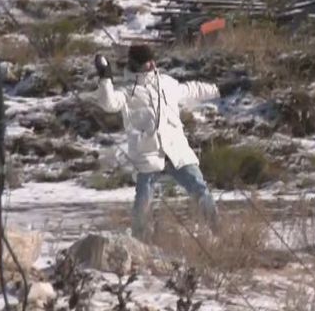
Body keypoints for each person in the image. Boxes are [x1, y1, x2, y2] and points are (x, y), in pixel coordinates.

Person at [92, 44, 221, 237]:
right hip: (148, 154)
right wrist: (105, 77)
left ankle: (218, 232)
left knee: (200, 189)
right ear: (135, 64)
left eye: (152, 60)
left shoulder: (167, 83)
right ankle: (140, 242)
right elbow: (108, 103)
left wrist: (219, 89)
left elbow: (192, 89)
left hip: (176, 151)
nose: (152, 64)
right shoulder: (127, 91)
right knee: (143, 202)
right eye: (146, 62)